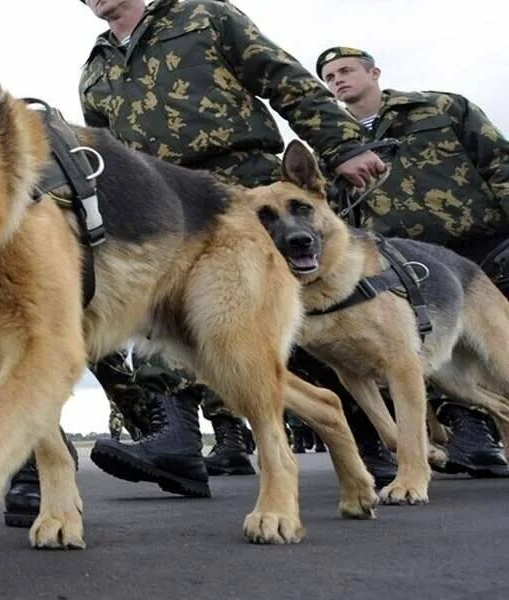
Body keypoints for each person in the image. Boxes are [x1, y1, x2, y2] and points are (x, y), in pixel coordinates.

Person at [76, 0, 386, 498]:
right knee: (165, 316)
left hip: (244, 190)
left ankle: (364, 441)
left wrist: (343, 146)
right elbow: (106, 152)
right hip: (163, 206)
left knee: (299, 321)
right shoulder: (95, 68)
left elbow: (280, 75)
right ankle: (180, 441)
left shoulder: (200, 15)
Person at [318, 46, 509, 477]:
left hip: (478, 242)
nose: (338, 81)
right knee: (428, 350)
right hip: (407, 262)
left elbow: (498, 160)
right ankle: (470, 436)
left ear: (374, 72)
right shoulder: (336, 144)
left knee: (500, 355)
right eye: (329, 78)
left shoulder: (439, 108)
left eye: (346, 70)